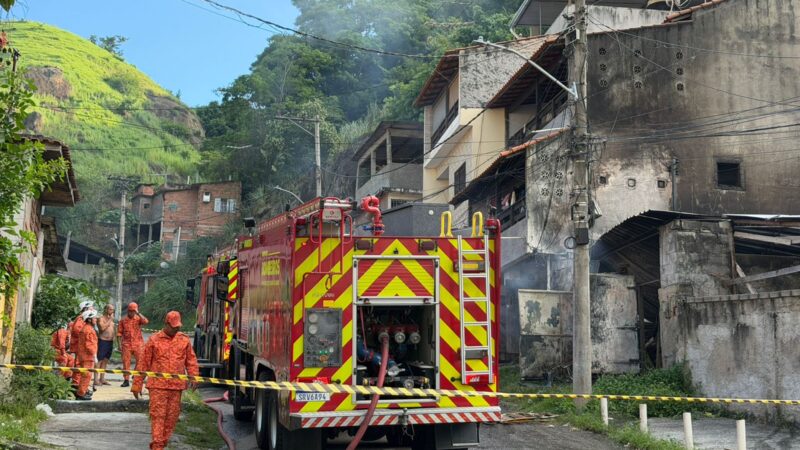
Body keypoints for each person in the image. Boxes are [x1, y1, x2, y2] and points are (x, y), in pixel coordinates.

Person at [132, 311, 199, 450]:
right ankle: (157, 446)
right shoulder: (154, 340)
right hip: (158, 387)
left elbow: (191, 360)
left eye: (178, 326)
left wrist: (194, 376)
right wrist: (137, 384)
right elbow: (143, 363)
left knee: (172, 418)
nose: (176, 329)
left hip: (176, 387)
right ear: (166, 324)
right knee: (158, 416)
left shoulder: (184, 340)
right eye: (174, 326)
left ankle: (161, 444)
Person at [118, 301, 149, 388]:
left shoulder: (138, 319)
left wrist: (138, 313)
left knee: (140, 361)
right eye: (130, 311)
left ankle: (135, 375)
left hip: (138, 343)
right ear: (128, 311)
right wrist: (119, 345)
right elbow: (119, 333)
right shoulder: (123, 320)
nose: (132, 313)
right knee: (126, 362)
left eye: (133, 311)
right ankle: (126, 380)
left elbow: (146, 321)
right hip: (126, 344)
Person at [69, 301, 94, 387]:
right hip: (79, 347)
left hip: (81, 347)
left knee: (81, 367)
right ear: (86, 308)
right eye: (91, 307)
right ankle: (76, 384)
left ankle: (79, 385)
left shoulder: (82, 318)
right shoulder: (81, 318)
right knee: (79, 366)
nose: (92, 308)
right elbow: (77, 330)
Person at [75, 310, 98, 401]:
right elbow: (90, 345)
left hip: (83, 356)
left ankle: (81, 392)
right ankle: (81, 394)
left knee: (84, 375)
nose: (96, 319)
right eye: (94, 318)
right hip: (87, 357)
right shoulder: (89, 330)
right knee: (86, 376)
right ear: (89, 319)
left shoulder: (86, 328)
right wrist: (94, 355)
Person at [94, 304, 116, 387]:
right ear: (106, 309)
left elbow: (113, 330)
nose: (112, 311)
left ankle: (102, 378)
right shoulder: (101, 319)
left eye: (113, 310)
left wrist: (114, 337)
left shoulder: (112, 320)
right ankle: (96, 380)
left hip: (110, 342)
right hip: (102, 341)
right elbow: (102, 329)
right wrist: (110, 320)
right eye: (110, 309)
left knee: (105, 360)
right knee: (99, 360)